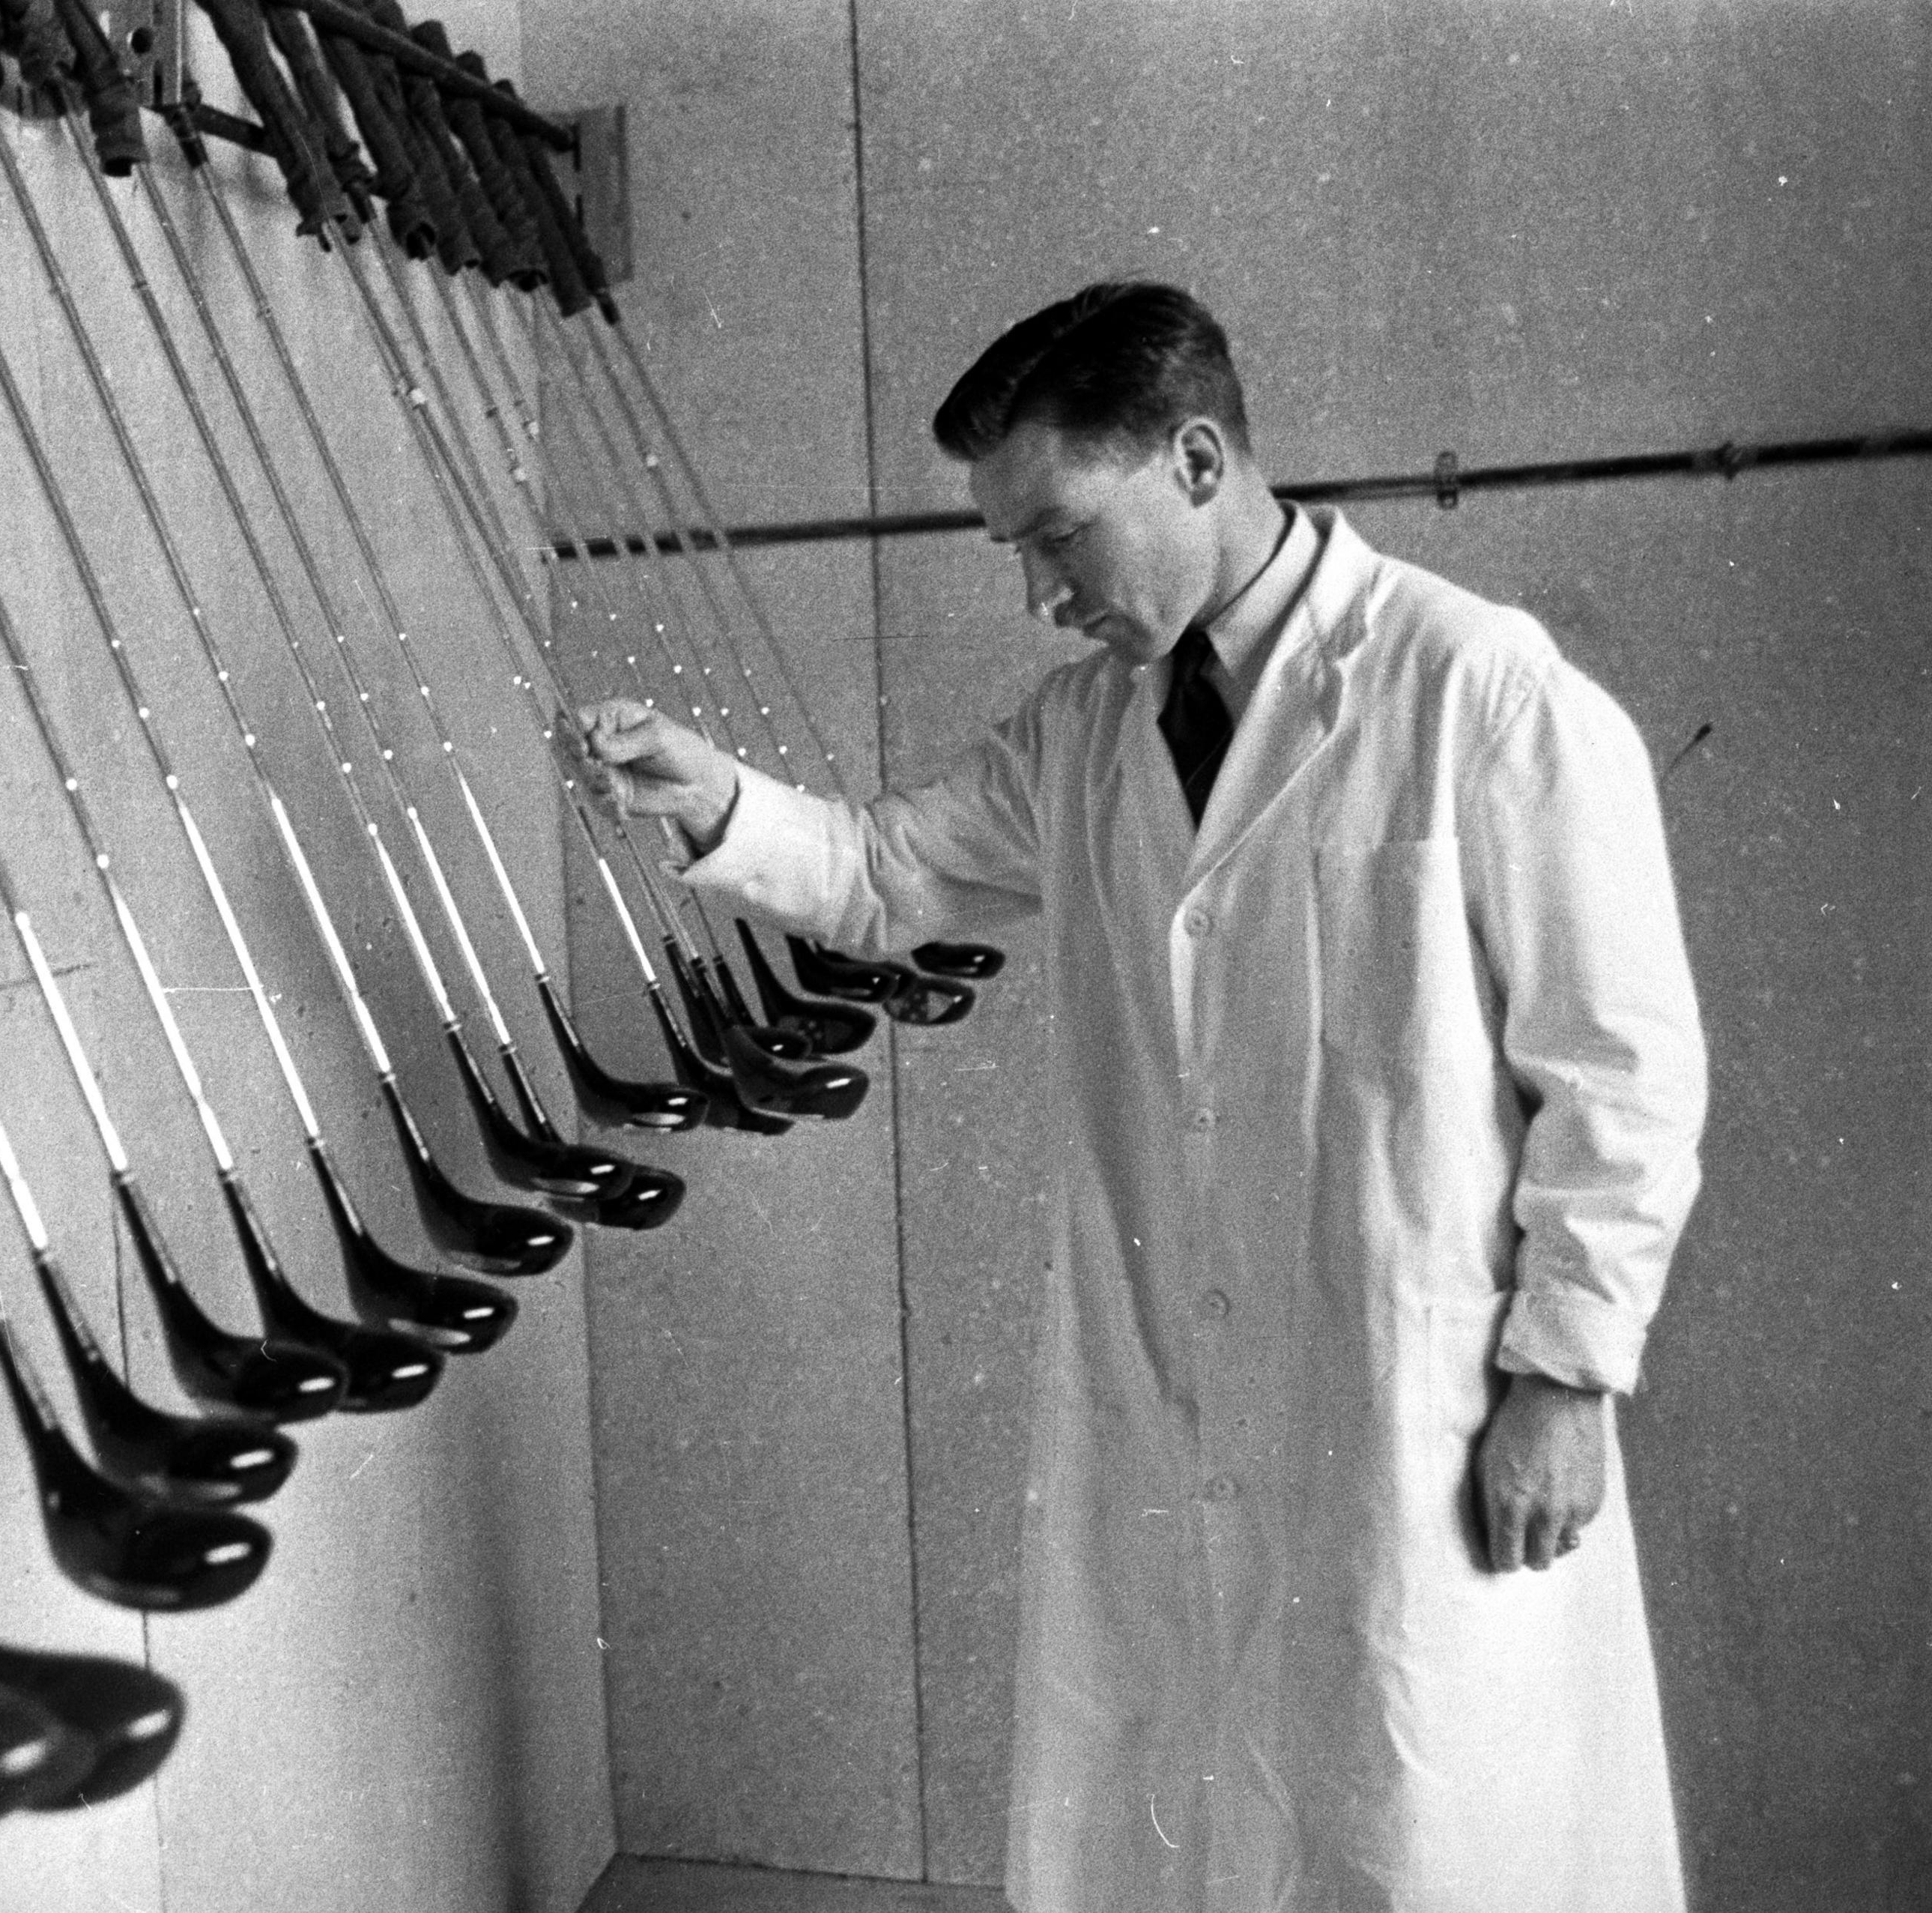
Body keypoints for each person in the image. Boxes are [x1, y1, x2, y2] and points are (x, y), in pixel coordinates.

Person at [575, 282, 1706, 1912]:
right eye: (1018, 554)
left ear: (1194, 459)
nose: (1042, 596)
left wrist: (1570, 1376)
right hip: (1175, 1396)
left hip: (1419, 1396)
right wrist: (717, 797)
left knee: (1429, 1826)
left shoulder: (1476, 689)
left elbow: (1622, 1066)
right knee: (1199, 1817)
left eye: (1060, 536)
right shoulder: (1087, 730)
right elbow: (890, 875)